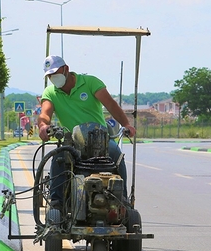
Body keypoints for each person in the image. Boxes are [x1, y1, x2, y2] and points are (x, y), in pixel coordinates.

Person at [37, 55, 136, 207]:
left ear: (66, 69)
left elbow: (110, 104)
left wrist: (126, 124)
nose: (53, 77)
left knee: (116, 155)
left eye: (55, 72)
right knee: (59, 158)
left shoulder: (90, 83)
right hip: (72, 141)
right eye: (49, 75)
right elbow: (45, 113)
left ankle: (122, 201)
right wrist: (43, 126)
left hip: (100, 138)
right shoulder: (50, 92)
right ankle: (56, 203)